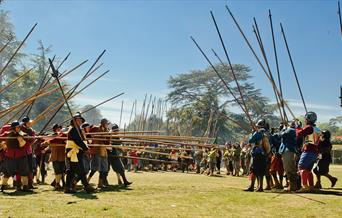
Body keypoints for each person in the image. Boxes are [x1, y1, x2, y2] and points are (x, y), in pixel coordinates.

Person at [64, 113, 95, 193]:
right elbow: (78, 141)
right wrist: (86, 148)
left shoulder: (78, 129)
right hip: (74, 152)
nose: (79, 121)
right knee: (81, 170)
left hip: (76, 152)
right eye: (77, 120)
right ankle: (87, 186)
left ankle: (67, 188)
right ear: (73, 121)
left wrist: (84, 148)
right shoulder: (74, 129)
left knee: (71, 171)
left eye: (80, 120)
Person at [1, 121, 30, 192]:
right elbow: (1, 138)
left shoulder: (23, 134)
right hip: (9, 156)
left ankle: (25, 187)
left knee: (23, 172)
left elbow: (26, 144)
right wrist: (3, 144)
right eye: (17, 127)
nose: (19, 128)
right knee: (7, 172)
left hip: (21, 155)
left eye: (19, 127)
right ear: (13, 128)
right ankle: (3, 186)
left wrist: (22, 140)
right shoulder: (7, 134)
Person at [297, 111, 320, 193]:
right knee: (308, 170)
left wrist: (298, 127)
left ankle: (304, 186)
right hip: (314, 152)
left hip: (308, 151)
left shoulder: (309, 127)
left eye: (306, 119)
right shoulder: (317, 129)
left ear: (308, 119)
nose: (305, 120)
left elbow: (299, 134)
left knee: (301, 168)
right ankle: (311, 186)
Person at [245, 119, 270, 192]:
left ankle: (253, 186)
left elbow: (251, 140)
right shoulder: (266, 133)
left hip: (257, 153)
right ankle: (259, 187)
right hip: (264, 154)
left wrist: (254, 133)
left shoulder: (258, 133)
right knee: (261, 171)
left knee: (254, 170)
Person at [87, 119, 110, 189]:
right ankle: (86, 182)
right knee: (94, 168)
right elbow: (88, 135)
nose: (107, 125)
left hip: (103, 151)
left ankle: (100, 183)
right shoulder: (95, 128)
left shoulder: (106, 131)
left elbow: (107, 142)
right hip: (96, 151)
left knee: (104, 169)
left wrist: (108, 135)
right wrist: (91, 143)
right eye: (106, 124)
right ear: (103, 123)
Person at [43, 124, 66, 190]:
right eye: (57, 128)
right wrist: (45, 148)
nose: (58, 129)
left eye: (59, 128)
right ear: (54, 129)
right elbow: (48, 143)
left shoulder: (63, 136)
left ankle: (58, 182)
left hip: (62, 155)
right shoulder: (52, 136)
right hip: (55, 155)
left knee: (63, 170)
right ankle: (57, 184)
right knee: (57, 170)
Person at [20, 116, 36, 189]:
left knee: (30, 168)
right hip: (21, 151)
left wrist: (30, 137)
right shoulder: (20, 129)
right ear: (25, 123)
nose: (30, 124)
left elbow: (32, 141)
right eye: (28, 123)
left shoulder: (31, 131)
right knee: (21, 168)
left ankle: (30, 183)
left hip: (29, 151)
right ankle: (19, 184)